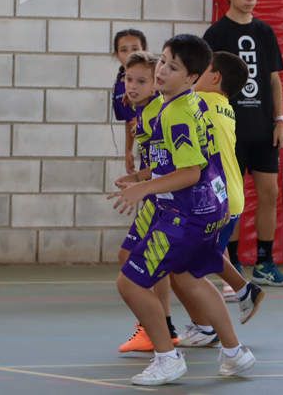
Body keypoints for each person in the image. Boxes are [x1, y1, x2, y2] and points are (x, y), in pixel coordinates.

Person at [109, 35, 255, 385]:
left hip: (183, 215)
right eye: (163, 61)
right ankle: (235, 353)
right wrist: (142, 174)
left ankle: (167, 357)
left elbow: (189, 172)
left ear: (193, 77)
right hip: (207, 209)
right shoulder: (192, 105)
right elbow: (193, 161)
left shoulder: (176, 114)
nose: (162, 71)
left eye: (172, 68)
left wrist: (143, 188)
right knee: (192, 279)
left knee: (129, 282)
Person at [203, 0, 283, 287]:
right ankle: (233, 261)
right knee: (232, 197)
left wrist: (279, 120)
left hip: (263, 128)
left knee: (270, 192)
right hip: (230, 131)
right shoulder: (216, 34)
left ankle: (266, 262)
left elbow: (273, 80)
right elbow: (205, 80)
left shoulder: (265, 32)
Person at [176, 51, 267, 348]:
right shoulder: (222, 105)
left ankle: (208, 328)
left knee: (185, 268)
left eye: (199, 70)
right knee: (209, 255)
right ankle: (244, 291)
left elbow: (173, 98)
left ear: (214, 77)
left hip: (217, 200)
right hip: (229, 195)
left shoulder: (200, 103)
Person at [110, 51, 178, 352]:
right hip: (156, 194)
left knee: (134, 261)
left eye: (141, 81)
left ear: (156, 84)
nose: (132, 86)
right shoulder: (142, 111)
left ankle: (156, 329)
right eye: (128, 79)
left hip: (164, 198)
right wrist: (139, 177)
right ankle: (162, 326)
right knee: (150, 263)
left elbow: (171, 163)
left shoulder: (155, 114)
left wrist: (141, 181)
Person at [112, 28, 148, 175]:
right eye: (124, 50)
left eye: (135, 49)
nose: (130, 55)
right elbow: (130, 119)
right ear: (116, 54)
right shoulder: (121, 79)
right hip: (146, 145)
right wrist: (128, 151)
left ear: (144, 50)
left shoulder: (153, 76)